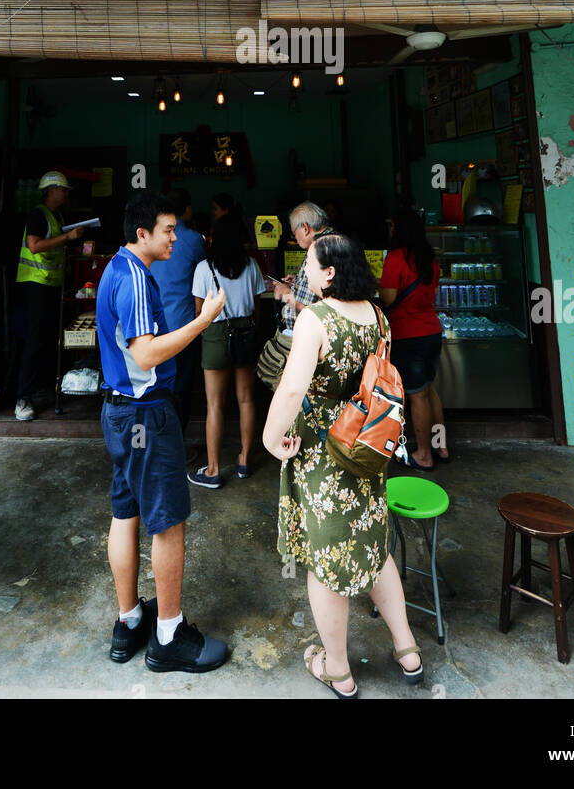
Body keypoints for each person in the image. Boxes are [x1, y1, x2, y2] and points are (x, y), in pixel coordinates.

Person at [263, 232, 424, 698]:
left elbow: (292, 388)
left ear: (329, 273)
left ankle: (338, 670)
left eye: (309, 263)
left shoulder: (316, 318)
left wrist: (271, 439)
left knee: (326, 556)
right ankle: (407, 650)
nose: (304, 271)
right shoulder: (377, 315)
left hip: (324, 450)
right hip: (369, 443)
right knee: (375, 546)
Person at [96, 189, 229, 672]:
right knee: (168, 521)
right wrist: (203, 320)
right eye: (169, 230)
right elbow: (146, 354)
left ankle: (130, 621)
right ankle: (169, 635)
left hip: (121, 413)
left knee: (126, 510)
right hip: (145, 417)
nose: (177, 237)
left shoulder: (119, 268)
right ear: (142, 234)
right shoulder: (133, 279)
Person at [188, 214, 265, 488]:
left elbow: (199, 313)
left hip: (215, 334)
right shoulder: (252, 266)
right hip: (245, 334)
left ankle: (213, 469)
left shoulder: (202, 268)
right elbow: (258, 308)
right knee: (246, 400)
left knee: (214, 404)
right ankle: (244, 459)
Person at [380, 209, 449, 468]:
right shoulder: (429, 260)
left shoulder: (396, 258)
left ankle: (423, 455)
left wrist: (379, 285)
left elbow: (388, 298)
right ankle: (440, 446)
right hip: (432, 331)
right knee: (429, 389)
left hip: (408, 335)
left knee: (416, 395)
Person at [13, 170, 83, 422]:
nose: (65, 193)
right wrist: (67, 236)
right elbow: (35, 245)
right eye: (62, 189)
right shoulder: (37, 215)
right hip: (36, 285)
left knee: (47, 339)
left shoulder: (56, 215)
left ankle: (41, 389)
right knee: (34, 340)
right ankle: (23, 397)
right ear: (51, 190)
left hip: (51, 284)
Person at [149, 188, 207, 435]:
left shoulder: (150, 238)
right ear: (186, 210)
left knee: (156, 384)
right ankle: (176, 442)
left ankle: (158, 440)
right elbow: (207, 273)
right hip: (183, 326)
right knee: (181, 386)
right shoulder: (193, 239)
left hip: (151, 327)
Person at [271, 201, 333, 332]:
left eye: (294, 233)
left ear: (305, 228)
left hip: (309, 334)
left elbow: (314, 312)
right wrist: (298, 282)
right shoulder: (329, 242)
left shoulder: (322, 250)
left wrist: (287, 295)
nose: (295, 238)